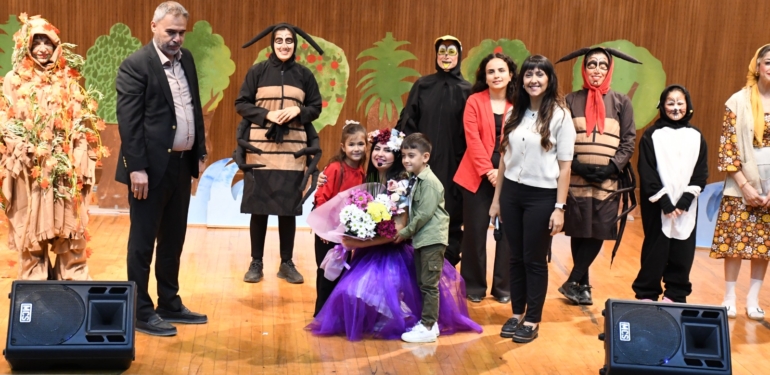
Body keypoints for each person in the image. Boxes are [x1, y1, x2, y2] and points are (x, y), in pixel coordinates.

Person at [307, 130, 481, 342]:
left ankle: (417, 321)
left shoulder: (402, 184)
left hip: (393, 248)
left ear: (398, 156)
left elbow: (399, 230)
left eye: (388, 150)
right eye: (377, 149)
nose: (380, 154)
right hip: (372, 247)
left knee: (371, 288)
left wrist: (355, 243)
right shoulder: (368, 176)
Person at [115, 1, 208, 336]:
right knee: (142, 242)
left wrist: (200, 150)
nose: (177, 38)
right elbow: (128, 123)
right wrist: (136, 167)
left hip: (181, 166)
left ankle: (169, 302)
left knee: (173, 239)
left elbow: (193, 108)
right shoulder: (135, 65)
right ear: (153, 25)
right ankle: (140, 310)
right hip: (148, 171)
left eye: (182, 32)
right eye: (171, 31)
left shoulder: (188, 61)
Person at [0, 14, 105, 280]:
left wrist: (81, 155)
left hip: (64, 171)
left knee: (70, 227)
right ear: (27, 46)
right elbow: (5, 118)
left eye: (48, 42)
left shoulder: (68, 80)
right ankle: (35, 285)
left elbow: (81, 120)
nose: (43, 48)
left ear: (57, 45)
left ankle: (73, 278)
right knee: (31, 226)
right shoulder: (14, 80)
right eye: (37, 42)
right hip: (30, 168)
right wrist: (21, 146)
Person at [490, 55, 575, 343]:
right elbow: (504, 159)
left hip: (542, 196)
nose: (534, 80)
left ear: (549, 80)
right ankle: (516, 312)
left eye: (540, 74)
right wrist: (497, 199)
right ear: (521, 80)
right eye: (529, 74)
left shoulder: (561, 116)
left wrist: (559, 208)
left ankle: (533, 318)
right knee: (515, 257)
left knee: (534, 259)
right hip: (512, 193)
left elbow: (565, 168)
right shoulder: (515, 113)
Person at [235, 23, 323, 285]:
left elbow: (315, 107)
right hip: (260, 152)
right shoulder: (257, 72)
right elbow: (241, 103)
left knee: (288, 210)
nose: (284, 45)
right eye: (279, 40)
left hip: (293, 152)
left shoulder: (305, 75)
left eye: (289, 41)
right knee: (259, 209)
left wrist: (299, 111)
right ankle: (256, 262)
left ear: (295, 44)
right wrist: (267, 115)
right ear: (271, 44)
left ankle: (286, 262)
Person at [554, 47, 639, 305]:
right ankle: (583, 286)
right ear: (584, 68)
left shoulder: (622, 102)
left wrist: (612, 167)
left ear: (610, 69)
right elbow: (561, 136)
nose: (597, 70)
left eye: (603, 65)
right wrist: (576, 165)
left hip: (608, 182)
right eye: (592, 64)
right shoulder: (569, 100)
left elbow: (628, 140)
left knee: (600, 230)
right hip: (576, 180)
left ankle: (573, 279)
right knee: (580, 231)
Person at [397, 35, 471, 267]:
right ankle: (417, 269)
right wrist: (409, 159)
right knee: (418, 212)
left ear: (459, 55)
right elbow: (408, 122)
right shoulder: (423, 84)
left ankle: (446, 269)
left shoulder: (468, 90)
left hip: (454, 165)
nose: (446, 56)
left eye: (451, 51)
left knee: (450, 215)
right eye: (442, 51)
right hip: (422, 166)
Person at [711, 44, 770, 320]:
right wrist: (746, 186)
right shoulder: (737, 100)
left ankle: (753, 299)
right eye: (768, 62)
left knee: (763, 246)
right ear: (757, 66)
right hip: (740, 184)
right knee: (735, 242)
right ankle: (729, 297)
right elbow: (727, 148)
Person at [633, 85, 707, 303]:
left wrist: (684, 201)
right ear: (662, 106)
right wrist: (665, 201)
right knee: (656, 249)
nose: (676, 108)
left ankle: (676, 294)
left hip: (687, 206)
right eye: (670, 103)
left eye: (680, 103)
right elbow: (647, 171)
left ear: (688, 105)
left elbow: (701, 172)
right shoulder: (652, 134)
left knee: (682, 250)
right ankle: (647, 293)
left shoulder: (696, 136)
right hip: (658, 206)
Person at [454, 53, 516, 304]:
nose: (496, 75)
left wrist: (502, 172)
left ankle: (504, 288)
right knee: (475, 233)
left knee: (510, 232)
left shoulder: (520, 103)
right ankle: (474, 286)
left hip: (512, 173)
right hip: (476, 175)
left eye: (501, 70)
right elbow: (473, 139)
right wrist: (489, 172)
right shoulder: (474, 101)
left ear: (511, 74)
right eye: (491, 71)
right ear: (484, 77)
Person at [312, 121, 366, 316]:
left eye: (360, 144)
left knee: (341, 270)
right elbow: (321, 199)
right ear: (343, 147)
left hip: (345, 233)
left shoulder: (362, 171)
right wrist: (324, 230)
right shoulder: (335, 168)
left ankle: (335, 313)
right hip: (327, 231)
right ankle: (321, 313)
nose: (357, 148)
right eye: (352, 144)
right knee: (326, 271)